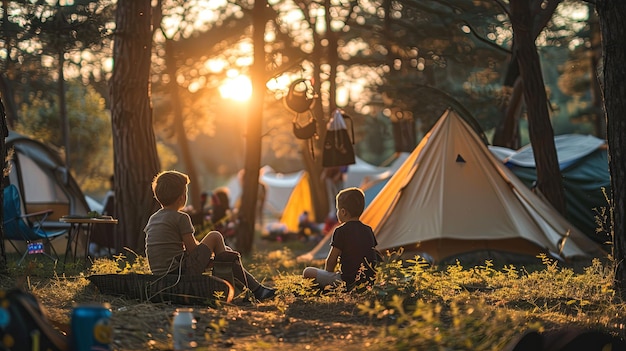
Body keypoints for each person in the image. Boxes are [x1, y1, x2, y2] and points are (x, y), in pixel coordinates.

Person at [144, 170, 276, 301]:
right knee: (215, 236)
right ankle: (252, 290)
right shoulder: (181, 218)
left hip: (162, 275)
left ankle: (253, 290)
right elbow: (193, 250)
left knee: (226, 253)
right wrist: (209, 253)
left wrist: (211, 254)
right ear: (182, 197)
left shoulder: (153, 218)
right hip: (179, 274)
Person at [302, 187, 380, 291]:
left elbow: (331, 261)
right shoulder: (368, 230)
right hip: (368, 281)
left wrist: (328, 275)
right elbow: (374, 256)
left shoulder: (341, 230)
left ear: (343, 212)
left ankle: (327, 288)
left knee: (308, 272)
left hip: (346, 282)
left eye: (337, 210)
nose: (337, 213)